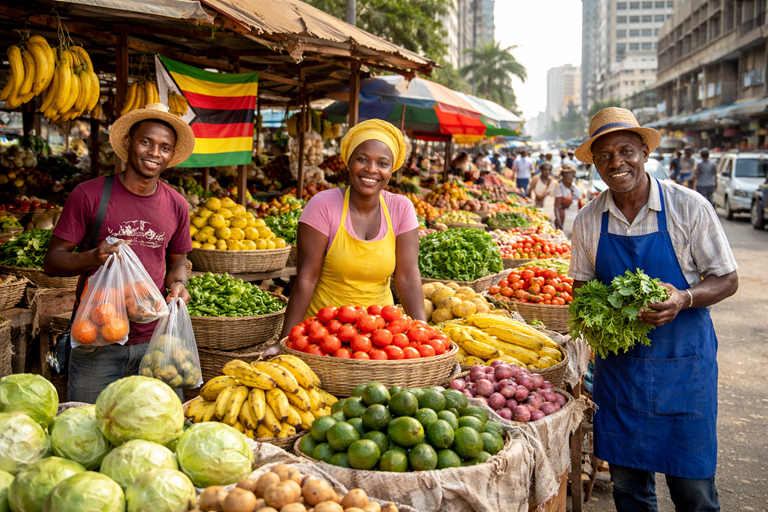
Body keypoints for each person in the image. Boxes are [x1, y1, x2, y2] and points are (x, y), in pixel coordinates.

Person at [571, 108, 739, 512]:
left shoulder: (689, 207)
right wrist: (607, 316)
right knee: (629, 491)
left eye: (626, 150)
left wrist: (684, 298)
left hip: (684, 371)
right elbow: (581, 291)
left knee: (694, 491)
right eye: (605, 156)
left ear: (645, 152)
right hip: (622, 375)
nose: (617, 163)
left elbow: (727, 279)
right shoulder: (588, 220)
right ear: (595, 163)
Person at [43, 103, 195, 404]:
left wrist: (179, 285)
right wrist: (93, 257)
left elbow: (177, 262)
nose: (155, 153)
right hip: (96, 337)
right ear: (128, 143)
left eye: (165, 147)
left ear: (171, 155)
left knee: (158, 435)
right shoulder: (89, 195)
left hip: (156, 342)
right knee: (86, 430)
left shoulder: (177, 204)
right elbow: (53, 261)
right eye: (146, 142)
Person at [277, 119, 426, 342]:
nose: (371, 169)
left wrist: (424, 334)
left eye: (382, 163)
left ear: (391, 170)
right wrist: (286, 340)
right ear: (349, 162)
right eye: (362, 159)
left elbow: (407, 277)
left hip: (381, 337)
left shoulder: (401, 208)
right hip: (324, 334)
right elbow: (307, 278)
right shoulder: (323, 205)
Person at [553, 164, 581, 231]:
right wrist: (558, 219)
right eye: (568, 178)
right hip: (563, 218)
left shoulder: (575, 189)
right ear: (563, 177)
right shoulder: (559, 187)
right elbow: (556, 206)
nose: (571, 179)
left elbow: (580, 204)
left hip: (573, 217)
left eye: (572, 177)